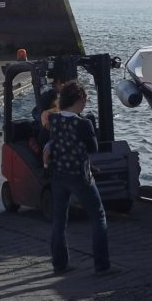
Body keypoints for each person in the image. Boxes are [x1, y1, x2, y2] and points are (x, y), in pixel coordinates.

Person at [46, 81, 114, 275]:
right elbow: (93, 148)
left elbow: (52, 142)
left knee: (59, 220)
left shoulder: (54, 119)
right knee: (98, 216)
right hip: (79, 175)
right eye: (84, 99)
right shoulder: (83, 123)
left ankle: (59, 264)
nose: (85, 102)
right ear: (78, 99)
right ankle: (102, 265)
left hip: (58, 175)